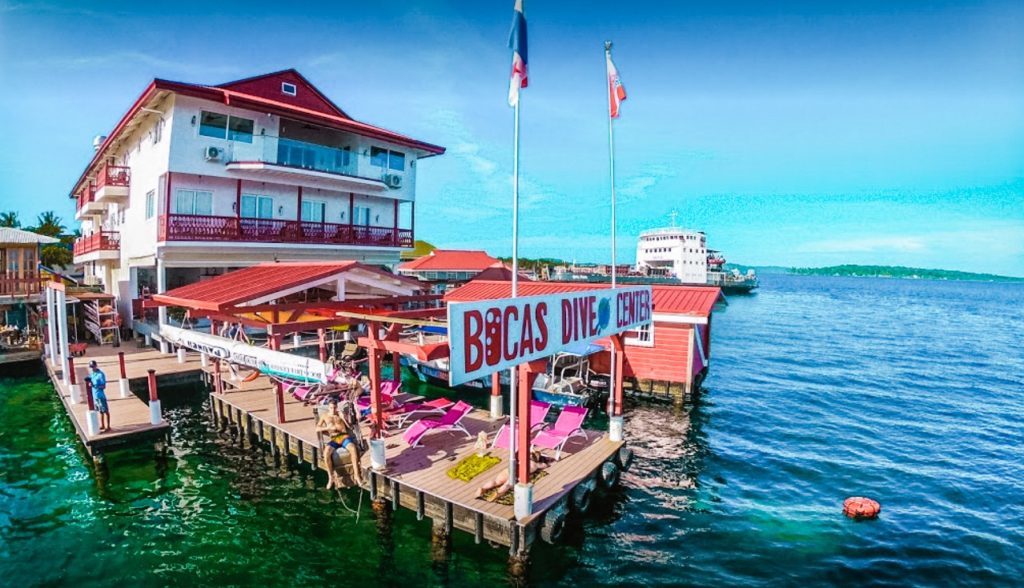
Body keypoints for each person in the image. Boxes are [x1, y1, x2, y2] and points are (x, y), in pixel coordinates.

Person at [316, 398, 364, 489]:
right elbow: (317, 429)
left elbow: (350, 427)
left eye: (334, 407)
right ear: (328, 407)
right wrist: (327, 428)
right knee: (326, 453)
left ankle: (357, 476)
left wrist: (343, 417)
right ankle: (330, 477)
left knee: (353, 449)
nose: (333, 410)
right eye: (331, 408)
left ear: (336, 407)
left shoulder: (340, 414)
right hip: (334, 438)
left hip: (344, 436)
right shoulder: (325, 416)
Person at [87, 360, 111, 432]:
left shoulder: (100, 374)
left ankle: (108, 426)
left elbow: (103, 386)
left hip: (100, 395)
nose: (92, 368)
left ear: (96, 366)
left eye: (93, 366)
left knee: (105, 411)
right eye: (91, 367)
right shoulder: (91, 375)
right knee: (100, 411)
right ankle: (103, 425)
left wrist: (95, 386)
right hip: (95, 396)